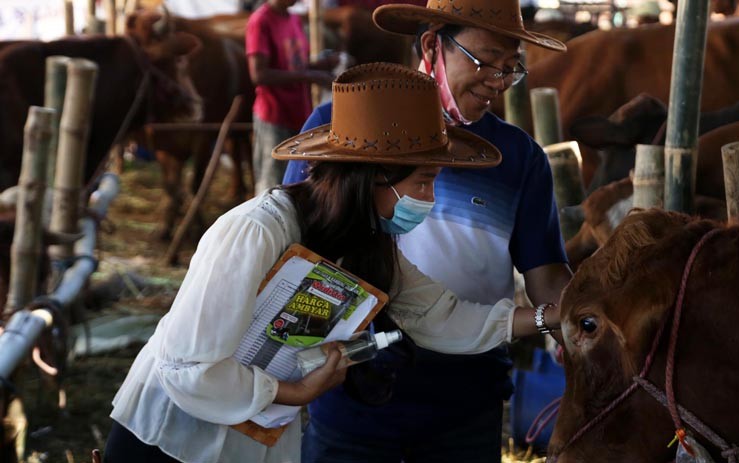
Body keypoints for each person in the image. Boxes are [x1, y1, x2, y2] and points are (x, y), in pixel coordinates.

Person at [104, 62, 554, 463]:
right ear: (374, 175)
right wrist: (294, 391)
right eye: (422, 183)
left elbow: (440, 316)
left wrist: (549, 317)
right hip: (168, 436)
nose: (428, 200)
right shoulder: (258, 231)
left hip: (251, 435)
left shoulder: (364, 245)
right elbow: (189, 368)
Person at [283, 1, 574, 462]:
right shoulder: (340, 130)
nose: (497, 81)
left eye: (510, 67)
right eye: (485, 61)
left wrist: (581, 324)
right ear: (433, 44)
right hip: (350, 394)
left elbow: (547, 277)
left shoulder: (520, 159)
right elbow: (298, 257)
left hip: (465, 401)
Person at [246, 0, 338, 194]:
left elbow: (296, 66)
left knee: (295, 183)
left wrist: (320, 66)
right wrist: (310, 76)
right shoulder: (260, 21)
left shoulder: (293, 19)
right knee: (271, 185)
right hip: (274, 115)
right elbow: (259, 74)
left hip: (298, 112)